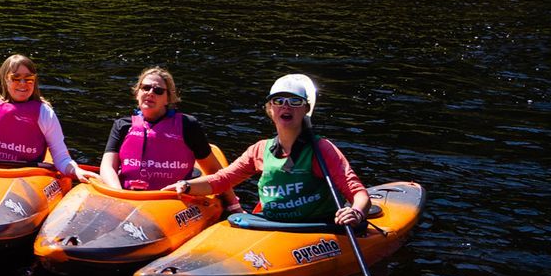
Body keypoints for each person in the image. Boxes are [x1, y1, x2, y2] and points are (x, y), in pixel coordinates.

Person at [168, 73, 370, 226]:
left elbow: (358, 193)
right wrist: (186, 185)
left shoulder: (321, 149)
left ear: (306, 109)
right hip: (271, 225)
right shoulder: (259, 150)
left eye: (295, 101)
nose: (286, 107)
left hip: (315, 226)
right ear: (270, 109)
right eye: (279, 101)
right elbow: (222, 180)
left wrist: (356, 213)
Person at [96, 67, 241, 214]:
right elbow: (107, 166)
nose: (150, 93)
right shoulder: (122, 125)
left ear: (168, 99)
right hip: (128, 197)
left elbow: (213, 170)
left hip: (171, 202)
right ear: (137, 93)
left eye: (158, 91)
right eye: (145, 88)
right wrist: (119, 197)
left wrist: (233, 205)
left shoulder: (187, 125)